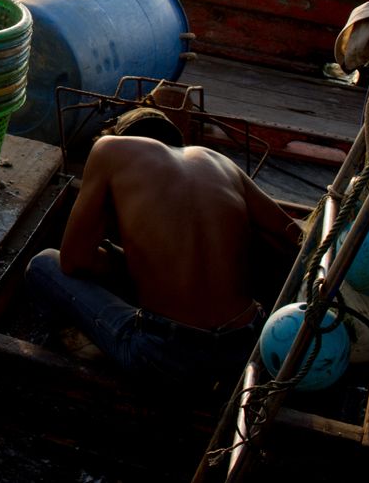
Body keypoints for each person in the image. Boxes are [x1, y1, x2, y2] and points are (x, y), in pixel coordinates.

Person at [25, 109, 302, 389]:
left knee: (44, 264)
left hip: (165, 354)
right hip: (247, 346)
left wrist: (120, 262)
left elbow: (73, 262)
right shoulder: (220, 162)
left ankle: (84, 346)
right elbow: (296, 237)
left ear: (122, 135)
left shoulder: (110, 149)